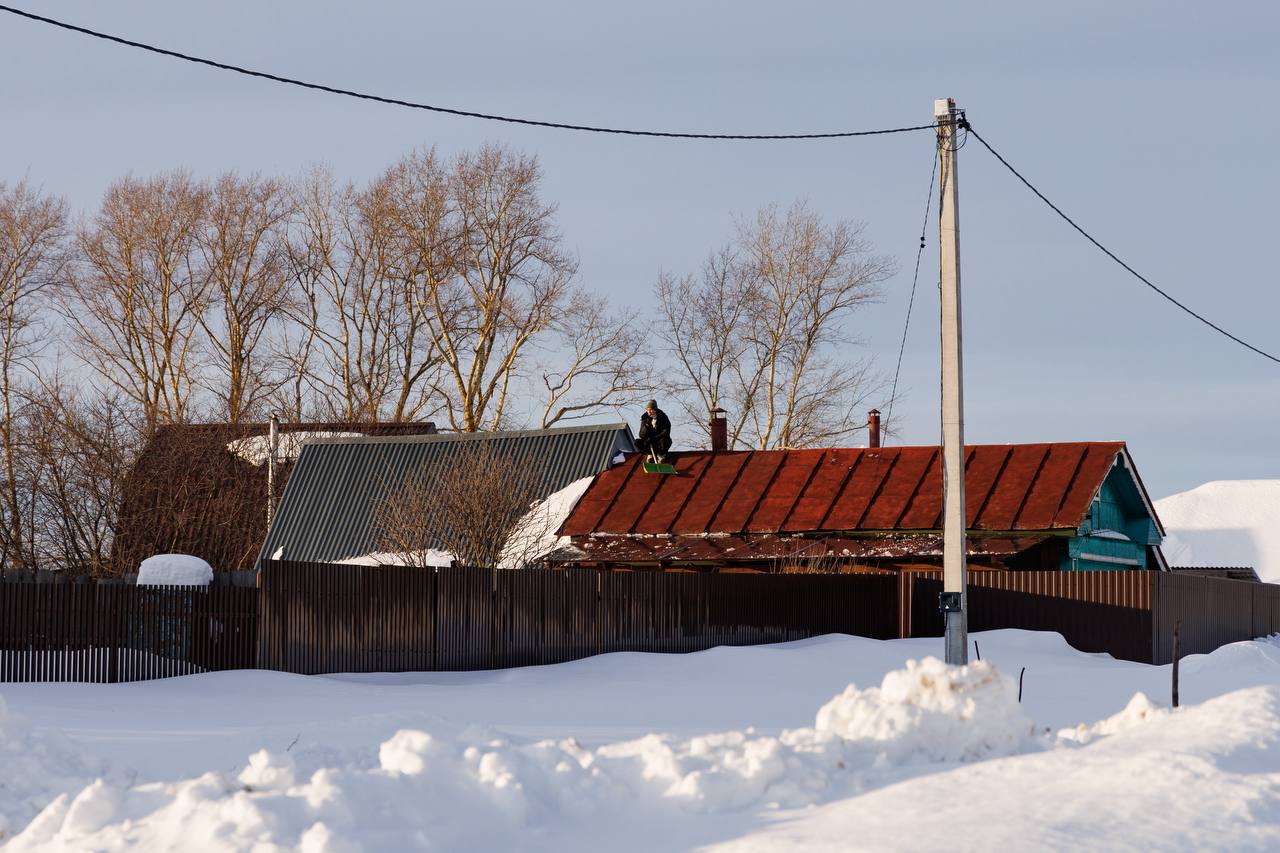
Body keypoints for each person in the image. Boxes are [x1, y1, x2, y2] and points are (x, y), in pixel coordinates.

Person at [636, 399, 672, 463]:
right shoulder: (645, 418)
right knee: (637, 442)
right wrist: (646, 425)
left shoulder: (663, 417)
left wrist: (654, 438)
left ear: (655, 410)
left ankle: (660, 455)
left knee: (665, 441)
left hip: (660, 441)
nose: (649, 412)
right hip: (650, 443)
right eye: (647, 410)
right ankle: (650, 454)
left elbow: (666, 432)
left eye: (651, 410)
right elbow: (641, 435)